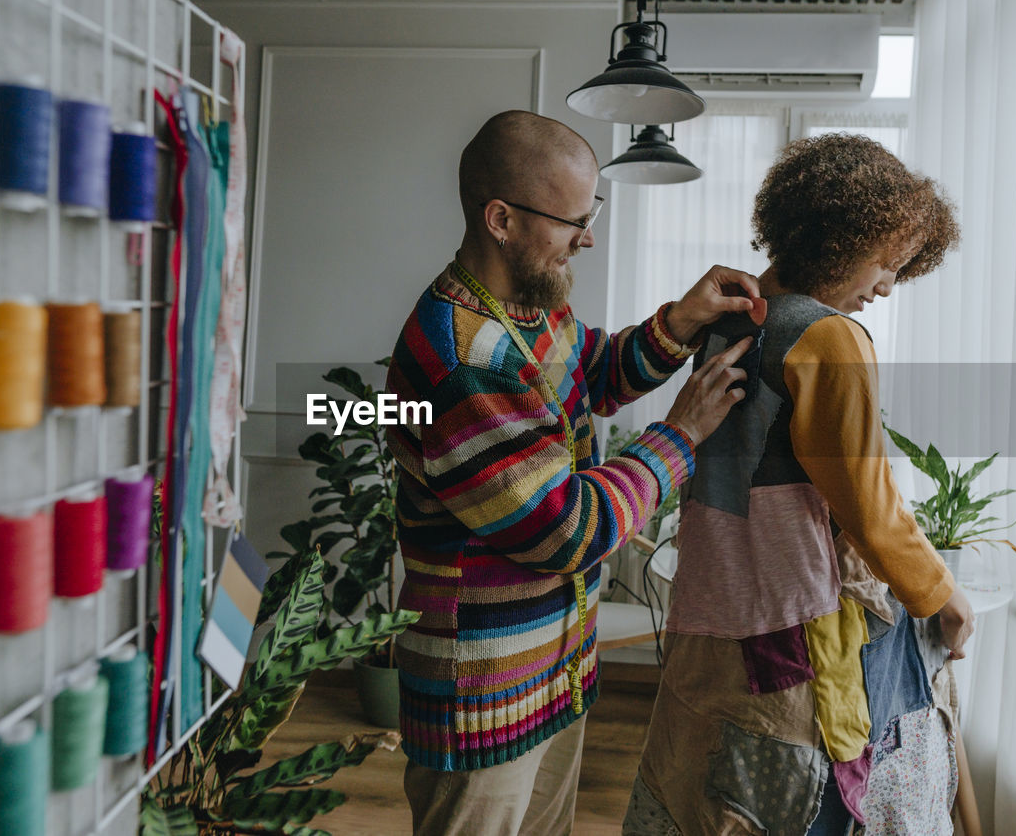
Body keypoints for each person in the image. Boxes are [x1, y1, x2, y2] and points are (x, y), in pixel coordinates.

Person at [384, 109, 760, 836]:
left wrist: (678, 322)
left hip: (549, 676)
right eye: (573, 220)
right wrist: (679, 436)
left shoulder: (527, 307)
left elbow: (591, 372)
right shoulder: (465, 358)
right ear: (501, 219)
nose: (588, 236)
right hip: (483, 696)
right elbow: (567, 529)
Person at [623, 133, 974, 836]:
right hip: (796, 617)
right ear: (842, 238)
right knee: (809, 799)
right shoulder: (829, 337)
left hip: (716, 604)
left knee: (708, 790)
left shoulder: (729, 322)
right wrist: (942, 593)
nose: (884, 286)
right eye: (885, 262)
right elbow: (869, 506)